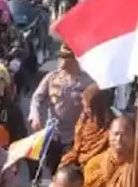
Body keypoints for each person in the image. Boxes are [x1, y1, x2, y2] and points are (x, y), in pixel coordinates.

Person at [29, 46, 94, 175]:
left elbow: (95, 106)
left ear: (74, 59)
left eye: (64, 57)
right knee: (53, 170)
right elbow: (37, 98)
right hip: (54, 135)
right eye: (60, 56)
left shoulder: (87, 82)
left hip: (75, 136)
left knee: (70, 171)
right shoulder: (52, 78)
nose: (60, 60)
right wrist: (34, 115)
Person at [59, 84, 115, 169]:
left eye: (88, 107)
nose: (85, 110)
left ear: (98, 107)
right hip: (78, 165)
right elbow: (76, 148)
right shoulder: (84, 120)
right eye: (84, 106)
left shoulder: (113, 128)